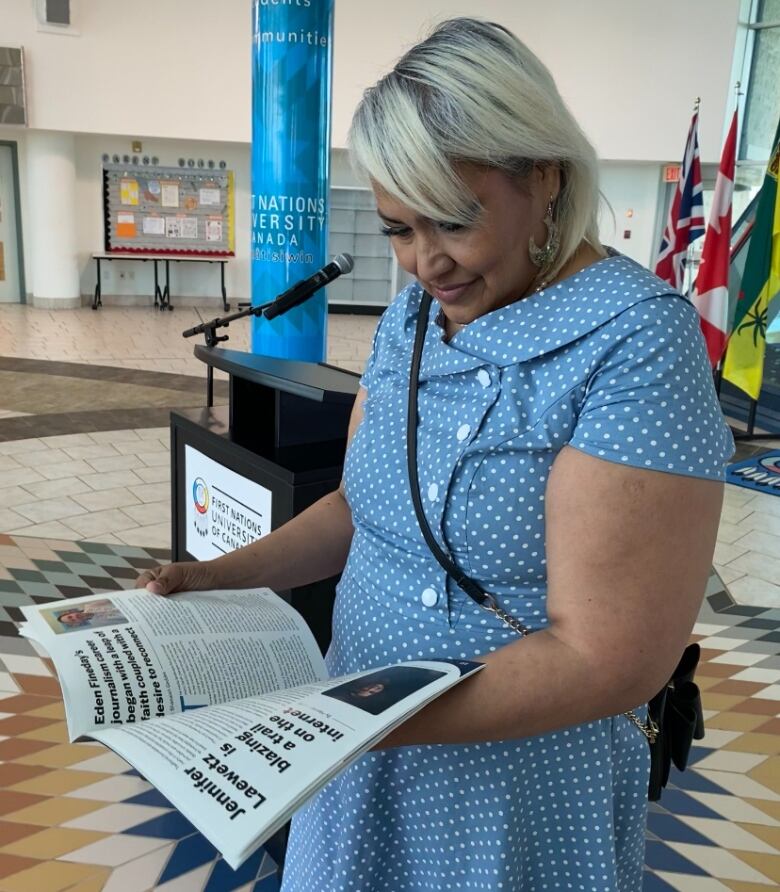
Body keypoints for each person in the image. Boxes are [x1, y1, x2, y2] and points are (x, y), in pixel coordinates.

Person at [137, 18, 734, 891]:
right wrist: (218, 575)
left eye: (452, 221)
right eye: (396, 230)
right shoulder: (411, 320)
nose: (425, 263)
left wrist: (355, 720)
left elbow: (610, 657)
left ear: (545, 176)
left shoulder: (636, 340)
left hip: (512, 784)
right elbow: (362, 508)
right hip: (356, 741)